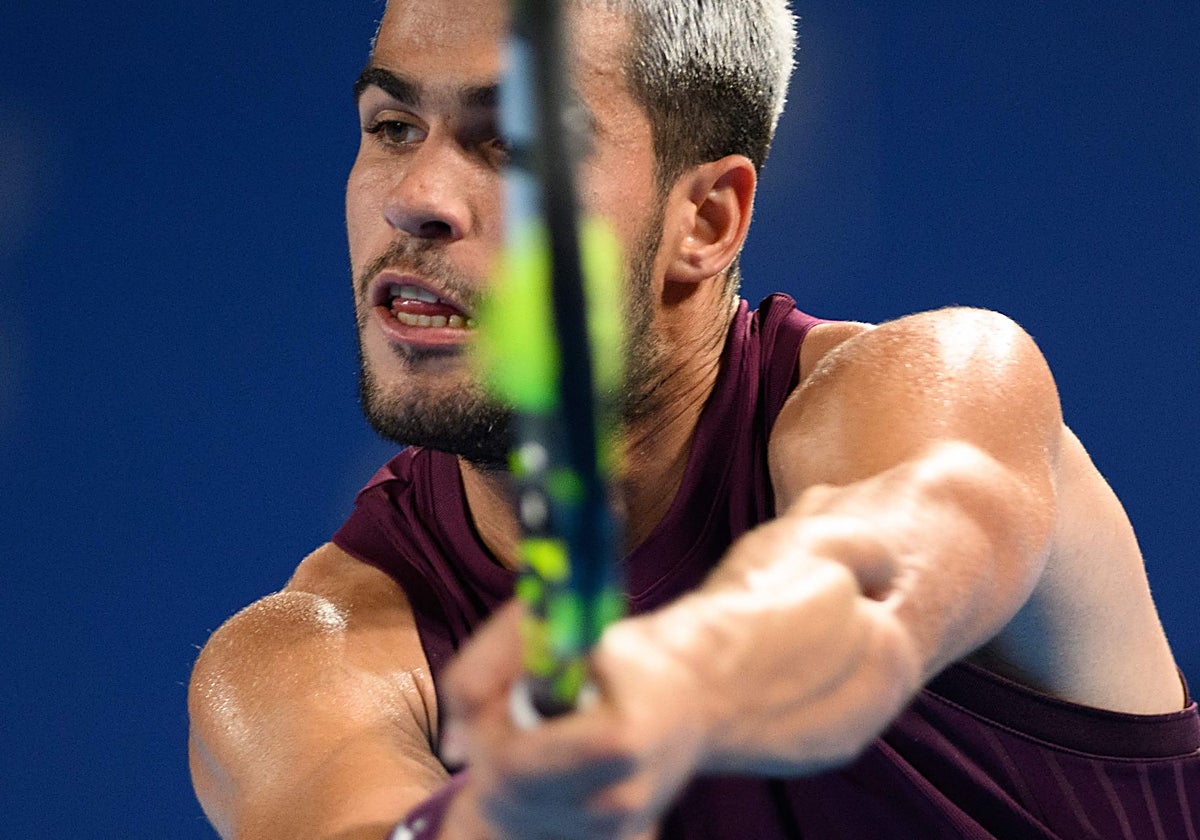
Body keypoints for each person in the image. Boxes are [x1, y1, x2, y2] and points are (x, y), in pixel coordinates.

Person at [187, 1, 1200, 838]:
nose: (416, 196)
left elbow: (867, 587)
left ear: (706, 220)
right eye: (393, 127)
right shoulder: (298, 663)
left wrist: (672, 685)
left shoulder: (945, 389)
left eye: (513, 143)